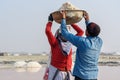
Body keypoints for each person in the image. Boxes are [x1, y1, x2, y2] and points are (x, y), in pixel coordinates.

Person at [60, 11, 103, 80]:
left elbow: (64, 33)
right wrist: (87, 21)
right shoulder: (99, 41)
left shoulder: (82, 42)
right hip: (93, 77)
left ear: (87, 32)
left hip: (81, 77)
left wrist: (63, 19)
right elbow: (92, 32)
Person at [44, 13, 84, 80]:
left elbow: (81, 32)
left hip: (66, 71)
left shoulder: (68, 41)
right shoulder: (60, 42)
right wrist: (70, 22)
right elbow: (81, 32)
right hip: (57, 72)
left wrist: (50, 22)